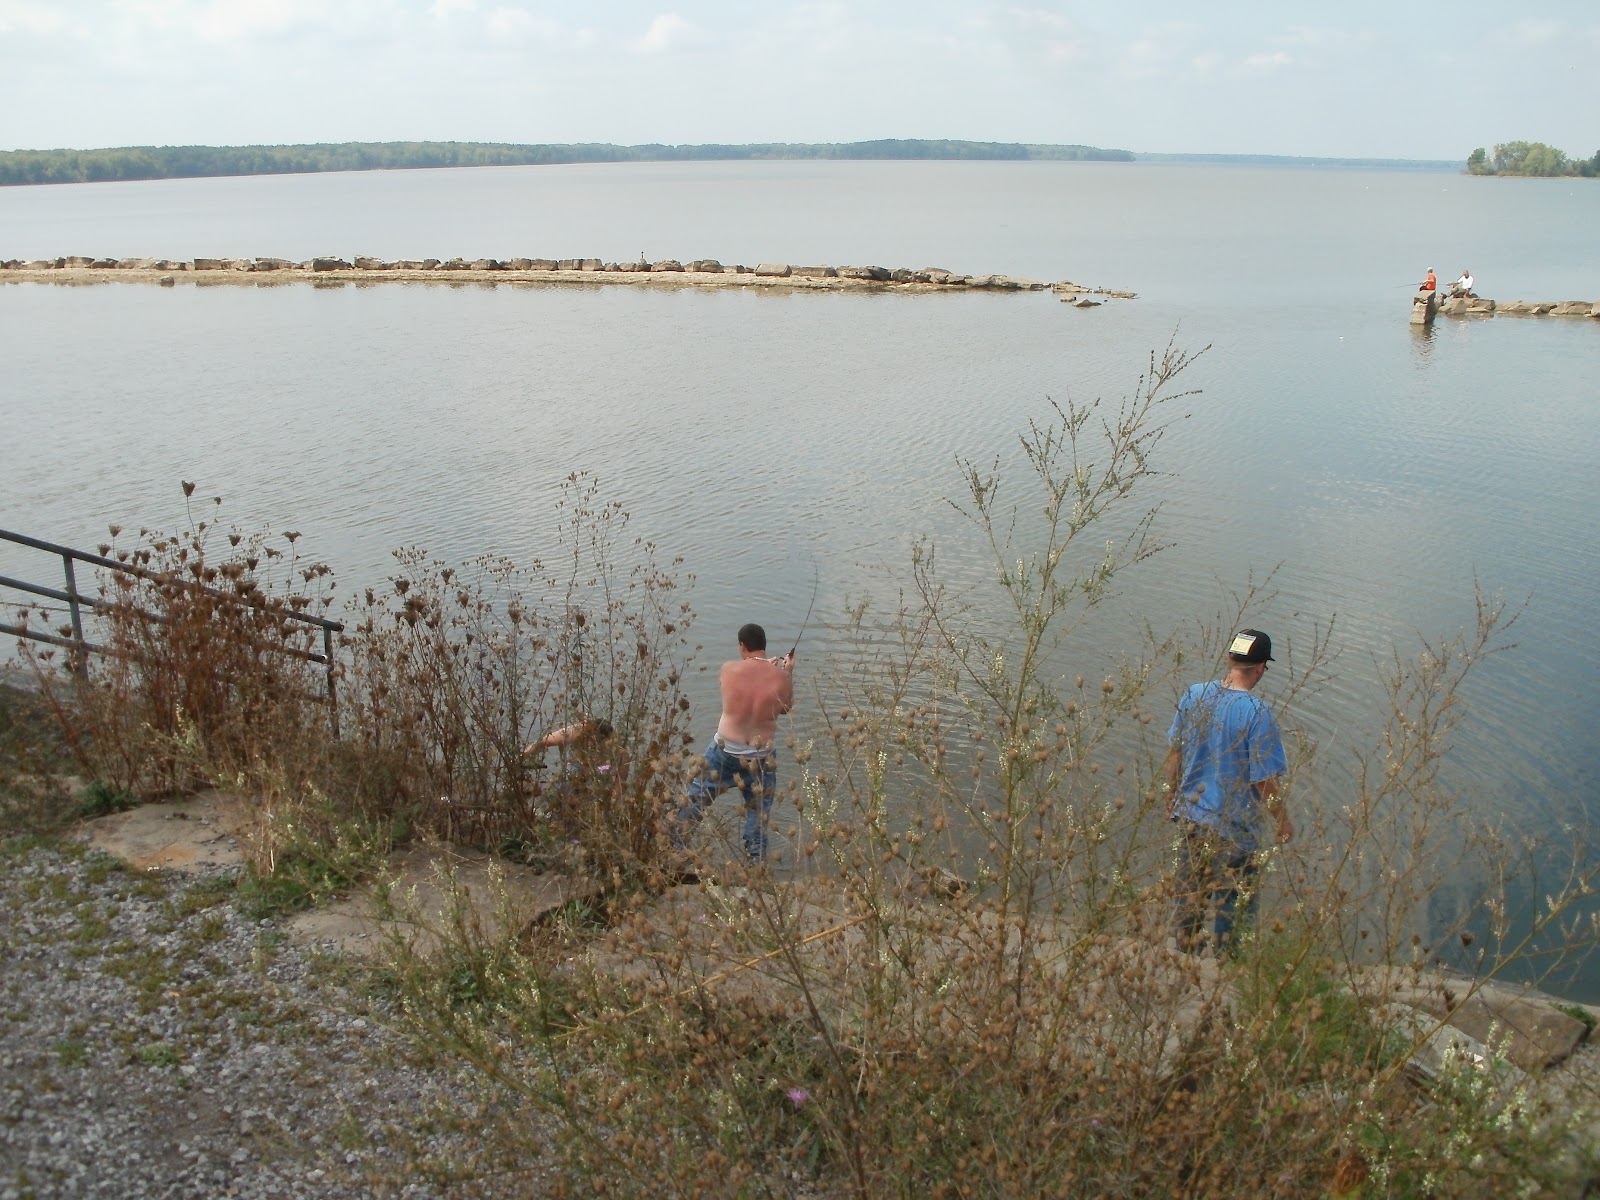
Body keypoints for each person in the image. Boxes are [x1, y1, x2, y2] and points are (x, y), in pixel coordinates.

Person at [1163, 628, 1291, 954]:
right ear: (1261, 667)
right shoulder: (1257, 714)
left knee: (1189, 897)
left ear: (1229, 660)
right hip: (1235, 829)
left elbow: (1175, 751)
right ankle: (1227, 965)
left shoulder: (1194, 695)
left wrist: (1171, 794)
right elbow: (1263, 781)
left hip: (1191, 816)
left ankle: (1184, 963)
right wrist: (1282, 822)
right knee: (1234, 905)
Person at [676, 623, 795, 861]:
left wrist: (760, 669)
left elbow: (736, 687)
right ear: (764, 646)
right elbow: (786, 708)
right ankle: (756, 866)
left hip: (724, 751)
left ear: (742, 645)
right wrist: (787, 672)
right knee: (758, 814)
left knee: (696, 799)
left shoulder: (728, 670)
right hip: (760, 757)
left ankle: (673, 847)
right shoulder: (781, 678)